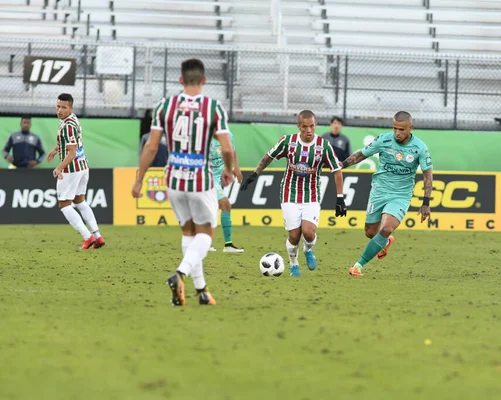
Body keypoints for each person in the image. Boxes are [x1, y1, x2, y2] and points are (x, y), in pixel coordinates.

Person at [132, 58, 234, 307]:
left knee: (188, 231)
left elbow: (151, 146)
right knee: (206, 233)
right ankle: (179, 274)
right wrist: (229, 170)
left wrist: (139, 179)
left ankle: (201, 291)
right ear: (204, 81)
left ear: (180, 80)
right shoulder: (213, 107)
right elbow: (227, 148)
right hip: (200, 178)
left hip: (174, 178)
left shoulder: (164, 106)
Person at [240, 110, 347, 277]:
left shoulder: (323, 146)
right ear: (298, 127)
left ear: (316, 125)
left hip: (311, 194)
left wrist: (340, 198)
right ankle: (293, 264)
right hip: (289, 192)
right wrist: (255, 174)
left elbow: (337, 171)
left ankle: (308, 250)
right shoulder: (288, 142)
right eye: (305, 127)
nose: (309, 131)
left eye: (312, 126)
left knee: (309, 232)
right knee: (294, 235)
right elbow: (269, 156)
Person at [340, 111, 432, 277]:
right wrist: (343, 164)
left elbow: (427, 174)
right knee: (370, 232)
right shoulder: (384, 139)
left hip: (401, 195)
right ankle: (386, 241)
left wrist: (426, 202)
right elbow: (362, 154)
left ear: (410, 128)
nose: (397, 132)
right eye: (395, 128)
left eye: (402, 129)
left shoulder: (420, 147)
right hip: (379, 191)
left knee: (387, 227)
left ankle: (358, 266)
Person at [47, 94, 105, 249]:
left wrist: (59, 167)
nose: (60, 110)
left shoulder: (67, 126)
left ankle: (88, 237)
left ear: (70, 108)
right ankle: (98, 236)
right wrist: (55, 150)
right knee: (79, 201)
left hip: (71, 169)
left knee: (64, 204)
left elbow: (71, 152)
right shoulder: (72, 119)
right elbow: (70, 143)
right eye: (58, 106)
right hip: (83, 166)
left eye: (64, 107)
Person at [209, 131, 244, 252]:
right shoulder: (205, 135)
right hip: (208, 176)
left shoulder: (228, 135)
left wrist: (236, 168)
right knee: (225, 204)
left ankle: (227, 245)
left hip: (219, 176)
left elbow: (232, 151)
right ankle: (224, 244)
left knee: (217, 207)